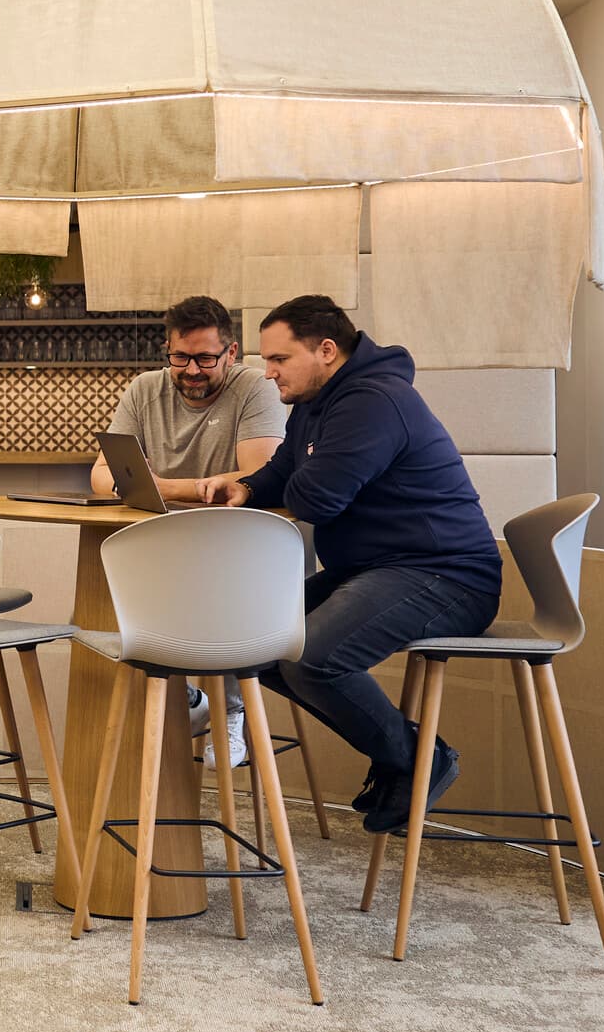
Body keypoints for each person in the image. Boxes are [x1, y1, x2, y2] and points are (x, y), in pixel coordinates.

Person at [199, 294, 500, 834]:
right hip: (376, 569)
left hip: (447, 575)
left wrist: (297, 482)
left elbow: (318, 500)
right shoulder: (317, 402)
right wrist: (247, 487)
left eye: (279, 359)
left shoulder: (374, 401)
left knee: (312, 656)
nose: (268, 373)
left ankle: (414, 759)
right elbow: (285, 473)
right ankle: (403, 756)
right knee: (253, 641)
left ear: (326, 350)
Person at [92, 294, 286, 766]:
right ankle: (193, 702)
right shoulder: (144, 389)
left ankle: (230, 711)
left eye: (205, 358)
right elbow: (101, 474)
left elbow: (258, 474)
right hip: (164, 547)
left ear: (231, 352)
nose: (191, 370)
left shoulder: (255, 388)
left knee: (213, 588)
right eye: (180, 357)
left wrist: (161, 487)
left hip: (239, 546)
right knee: (119, 593)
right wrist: (184, 488)